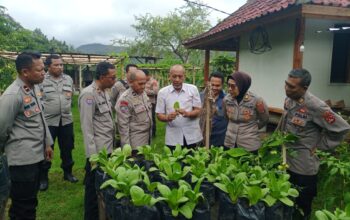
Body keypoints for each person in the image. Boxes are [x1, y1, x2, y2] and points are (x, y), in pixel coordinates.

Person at [278, 68, 350, 219]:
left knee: (302, 205)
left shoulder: (316, 106)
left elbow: (342, 129)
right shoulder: (289, 99)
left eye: (292, 86)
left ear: (304, 88)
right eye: (286, 84)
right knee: (286, 199)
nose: (286, 88)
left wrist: (319, 147)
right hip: (287, 159)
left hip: (304, 166)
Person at [0, 51, 53, 219]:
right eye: (39, 70)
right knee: (22, 207)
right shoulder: (13, 94)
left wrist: (47, 143)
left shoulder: (33, 88)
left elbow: (41, 118)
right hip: (22, 160)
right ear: (25, 72)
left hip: (36, 156)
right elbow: (2, 128)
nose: (44, 72)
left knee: (30, 202)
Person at [79, 61, 116, 220]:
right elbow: (87, 128)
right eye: (112, 77)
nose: (114, 80)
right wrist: (92, 157)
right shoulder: (89, 94)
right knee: (93, 188)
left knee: (103, 185)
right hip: (98, 152)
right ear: (102, 77)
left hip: (108, 148)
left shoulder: (104, 92)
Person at [39, 54, 78, 191]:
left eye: (61, 64)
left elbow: (70, 96)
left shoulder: (68, 79)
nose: (60, 67)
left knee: (67, 148)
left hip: (66, 120)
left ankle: (68, 173)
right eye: (56, 65)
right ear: (48, 66)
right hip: (49, 121)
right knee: (46, 149)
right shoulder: (41, 80)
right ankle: (43, 177)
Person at [156, 64, 202, 149]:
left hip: (192, 134)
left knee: (193, 160)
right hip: (173, 136)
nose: (177, 79)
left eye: (180, 76)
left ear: (184, 76)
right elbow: (159, 114)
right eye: (174, 76)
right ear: (169, 76)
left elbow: (198, 110)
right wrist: (168, 117)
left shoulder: (193, 89)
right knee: (174, 160)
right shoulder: (162, 92)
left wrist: (187, 114)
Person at [223, 71, 269, 152]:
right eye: (228, 85)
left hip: (249, 144)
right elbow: (226, 117)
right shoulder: (226, 100)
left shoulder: (256, 100)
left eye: (233, 86)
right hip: (230, 142)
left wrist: (252, 128)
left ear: (242, 85)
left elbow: (264, 119)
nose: (229, 89)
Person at [116, 69, 152, 150]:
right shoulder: (125, 100)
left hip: (146, 138)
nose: (143, 86)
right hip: (135, 143)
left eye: (144, 83)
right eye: (140, 84)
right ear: (130, 82)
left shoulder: (142, 93)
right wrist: (126, 148)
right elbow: (123, 127)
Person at [199, 72, 228, 147]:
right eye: (212, 85)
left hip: (219, 140)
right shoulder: (200, 97)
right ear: (208, 83)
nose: (214, 87)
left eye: (218, 85)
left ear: (222, 85)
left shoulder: (227, 99)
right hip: (201, 139)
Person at [144, 69, 159, 137]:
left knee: (151, 118)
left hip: (151, 102)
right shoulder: (143, 81)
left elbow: (155, 92)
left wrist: (145, 91)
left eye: (144, 76)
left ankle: (153, 133)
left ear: (148, 75)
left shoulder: (154, 82)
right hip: (143, 102)